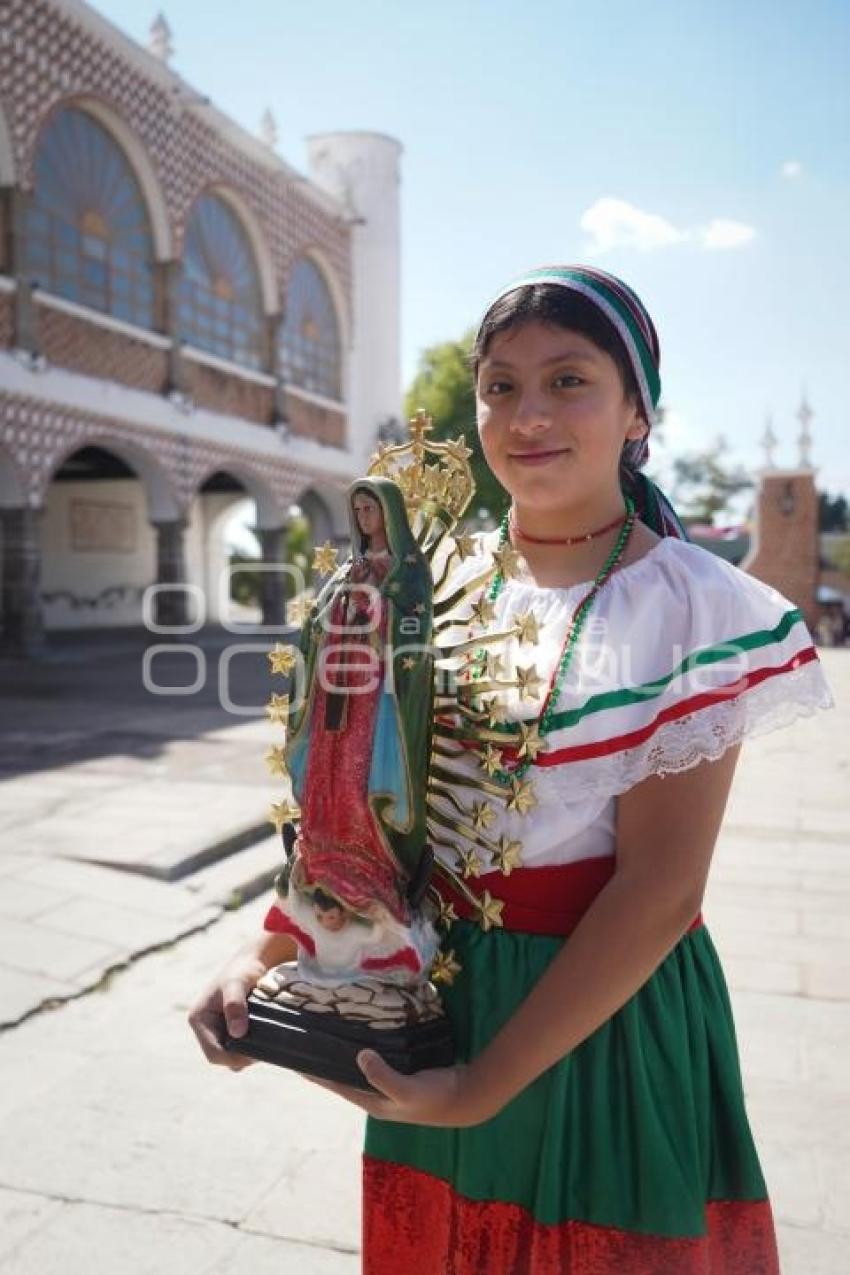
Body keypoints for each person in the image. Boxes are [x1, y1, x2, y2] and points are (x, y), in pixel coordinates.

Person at [189, 266, 834, 1273]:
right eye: (500, 386)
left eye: (568, 380)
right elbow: (362, 807)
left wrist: (481, 1085)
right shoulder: (432, 584)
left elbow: (660, 890)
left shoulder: (689, 607)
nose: (527, 415)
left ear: (636, 412)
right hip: (434, 999)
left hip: (595, 1020)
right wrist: (265, 954)